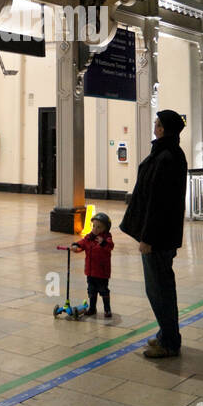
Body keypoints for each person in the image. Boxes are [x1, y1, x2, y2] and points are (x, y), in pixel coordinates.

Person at [120, 109, 188, 359]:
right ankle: (165, 334)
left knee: (159, 290)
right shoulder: (169, 153)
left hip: (158, 237)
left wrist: (147, 238)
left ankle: (169, 342)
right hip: (163, 234)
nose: (154, 126)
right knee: (160, 288)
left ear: (163, 129)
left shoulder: (166, 157)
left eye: (157, 123)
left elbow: (158, 204)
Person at [71, 212, 114, 317]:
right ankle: (92, 308)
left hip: (102, 272)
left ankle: (107, 310)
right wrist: (76, 245)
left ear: (105, 229)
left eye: (99, 227)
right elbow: (82, 242)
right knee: (91, 291)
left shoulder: (107, 238)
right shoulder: (89, 237)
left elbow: (110, 246)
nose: (95, 229)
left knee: (103, 291)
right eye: (94, 226)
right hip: (90, 271)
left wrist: (103, 242)